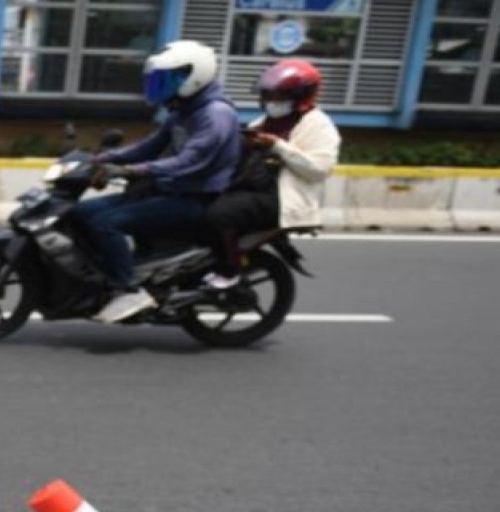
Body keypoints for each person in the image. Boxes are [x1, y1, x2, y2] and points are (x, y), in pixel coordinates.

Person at [69, 40, 241, 324]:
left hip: (194, 200)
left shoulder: (215, 115)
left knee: (104, 223)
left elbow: (189, 161)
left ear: (194, 75)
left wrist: (132, 172)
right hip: (169, 190)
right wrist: (101, 159)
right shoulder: (182, 111)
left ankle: (128, 288)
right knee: (80, 212)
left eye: (170, 79)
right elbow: (150, 145)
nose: (162, 86)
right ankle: (104, 275)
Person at [200, 59, 341, 289]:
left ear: (300, 97)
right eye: (267, 96)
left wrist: (277, 145)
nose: (271, 102)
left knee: (219, 214)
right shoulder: (265, 121)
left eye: (278, 97)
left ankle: (229, 271)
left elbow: (319, 170)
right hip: (252, 187)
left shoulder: (319, 126)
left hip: (280, 197)